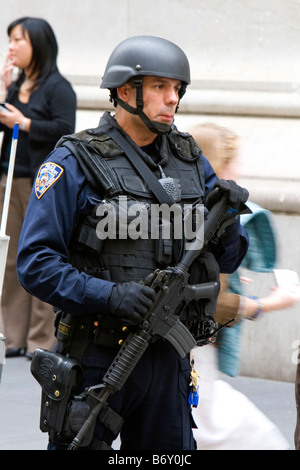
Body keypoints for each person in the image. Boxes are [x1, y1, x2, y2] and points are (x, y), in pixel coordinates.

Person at [17, 36, 249, 450]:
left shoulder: (192, 160)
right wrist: (110, 295)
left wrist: (229, 217)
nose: (172, 99)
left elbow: (229, 257)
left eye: (177, 89)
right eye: (160, 86)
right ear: (126, 91)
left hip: (168, 359)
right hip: (97, 358)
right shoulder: (73, 161)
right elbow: (35, 264)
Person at [189, 122, 300, 450]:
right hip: (193, 356)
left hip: (189, 355)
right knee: (256, 438)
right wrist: (267, 303)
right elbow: (214, 302)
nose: (240, 169)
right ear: (218, 165)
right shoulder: (213, 211)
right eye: (233, 161)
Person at [0, 17, 76, 359]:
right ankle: (12, 334)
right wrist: (3, 91)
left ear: (38, 46)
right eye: (10, 39)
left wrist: (25, 123)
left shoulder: (58, 87)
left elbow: (65, 129)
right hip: (10, 177)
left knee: (40, 255)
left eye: (18, 39)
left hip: (42, 183)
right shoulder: (16, 86)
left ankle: (40, 338)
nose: (11, 46)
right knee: (11, 259)